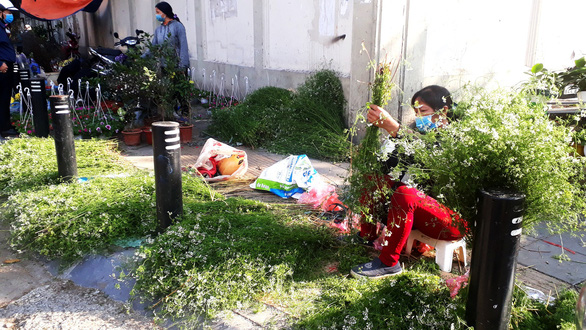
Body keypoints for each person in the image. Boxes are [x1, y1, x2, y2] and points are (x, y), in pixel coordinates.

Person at [350, 85, 469, 279]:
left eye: (424, 111)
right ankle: (367, 235)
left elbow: (430, 155)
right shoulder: (415, 130)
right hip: (422, 211)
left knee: (406, 194)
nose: (419, 116)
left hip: (448, 219)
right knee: (375, 180)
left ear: (444, 110)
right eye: (416, 112)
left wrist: (394, 128)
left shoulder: (456, 138)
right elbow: (394, 166)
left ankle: (389, 263)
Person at [151, 1, 189, 70]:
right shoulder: (158, 30)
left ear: (164, 13)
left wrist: (182, 66)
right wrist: (140, 59)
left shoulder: (177, 26)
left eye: (158, 12)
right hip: (163, 67)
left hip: (176, 67)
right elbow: (152, 48)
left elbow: (183, 47)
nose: (156, 15)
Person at [0, 0, 18, 138]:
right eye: (7, 12)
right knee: (3, 97)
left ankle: (6, 124)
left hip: (7, 66)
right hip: (3, 67)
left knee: (6, 97)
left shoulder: (3, 26)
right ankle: (4, 127)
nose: (9, 15)